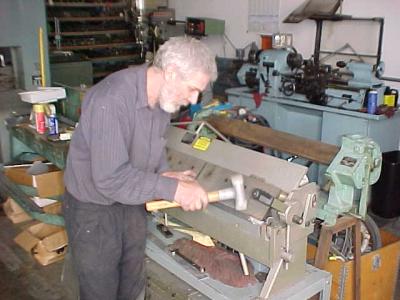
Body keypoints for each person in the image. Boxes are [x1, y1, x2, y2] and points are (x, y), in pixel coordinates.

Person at [62, 36, 218, 300]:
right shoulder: (111, 100)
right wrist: (173, 189)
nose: (193, 100)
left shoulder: (161, 101)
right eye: (192, 89)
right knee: (100, 290)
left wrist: (163, 173)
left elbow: (153, 148)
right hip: (94, 211)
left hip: (132, 203)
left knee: (132, 285)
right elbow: (110, 179)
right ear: (170, 73)